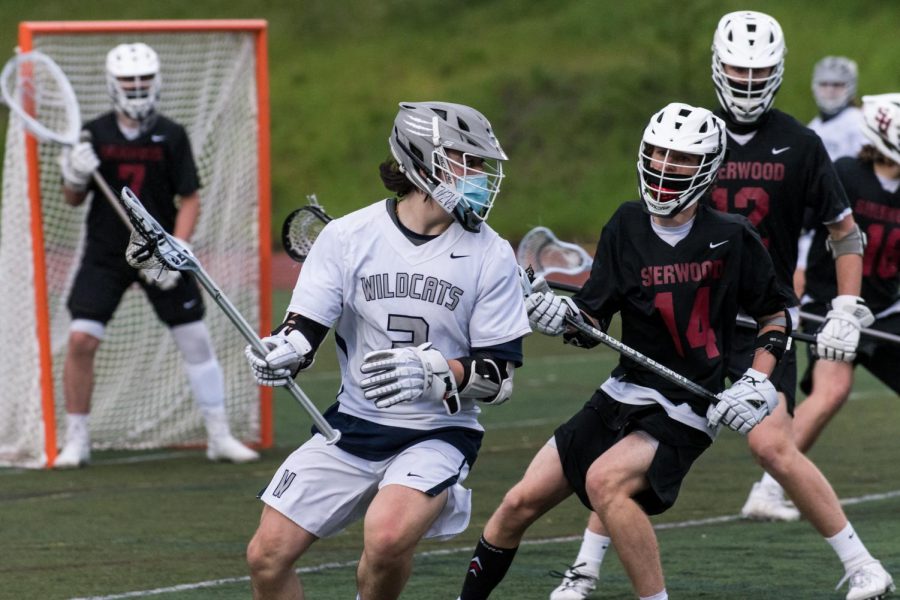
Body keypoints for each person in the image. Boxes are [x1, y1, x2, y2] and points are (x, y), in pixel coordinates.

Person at [551, 11, 893, 600]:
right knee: (627, 439)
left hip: (761, 323)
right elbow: (647, 218)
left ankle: (862, 563)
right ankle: (583, 570)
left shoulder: (802, 144)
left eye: (760, 71)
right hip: (683, 318)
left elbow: (844, 232)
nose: (748, 80)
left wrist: (845, 305)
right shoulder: (685, 135)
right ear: (717, 64)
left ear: (780, 72)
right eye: (738, 67)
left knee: (771, 444)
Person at [458, 101, 792, 600]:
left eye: (679, 158)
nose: (662, 166)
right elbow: (592, 317)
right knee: (517, 503)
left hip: (687, 404)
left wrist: (758, 382)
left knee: (605, 480)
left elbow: (775, 315)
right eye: (657, 153)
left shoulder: (731, 236)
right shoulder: (626, 224)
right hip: (625, 390)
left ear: (706, 167)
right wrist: (563, 319)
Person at [243, 101, 530, 600]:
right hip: (351, 426)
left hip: (438, 432)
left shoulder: (492, 253)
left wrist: (436, 371)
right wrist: (281, 350)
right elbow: (303, 329)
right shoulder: (348, 236)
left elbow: (499, 379)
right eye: (468, 161)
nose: (481, 177)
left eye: (484, 165)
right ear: (423, 160)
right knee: (265, 557)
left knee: (387, 536)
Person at [54, 42, 259, 467]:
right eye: (129, 81)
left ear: (157, 82)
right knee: (81, 339)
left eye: (143, 80)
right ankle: (77, 439)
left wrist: (176, 247)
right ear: (113, 85)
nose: (136, 88)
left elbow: (189, 198)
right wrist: (73, 173)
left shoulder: (172, 133)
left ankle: (219, 435)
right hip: (107, 254)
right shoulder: (93, 134)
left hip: (156, 249)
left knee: (195, 338)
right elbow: (72, 198)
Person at [748, 94, 900, 527]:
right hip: (832, 302)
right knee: (832, 390)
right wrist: (796, 268)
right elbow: (806, 222)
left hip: (886, 307)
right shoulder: (848, 174)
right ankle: (769, 488)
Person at [795, 56, 867, 297]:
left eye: (837, 85)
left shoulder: (858, 124)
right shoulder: (813, 127)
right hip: (816, 217)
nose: (830, 91)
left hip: (845, 214)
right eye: (824, 84)